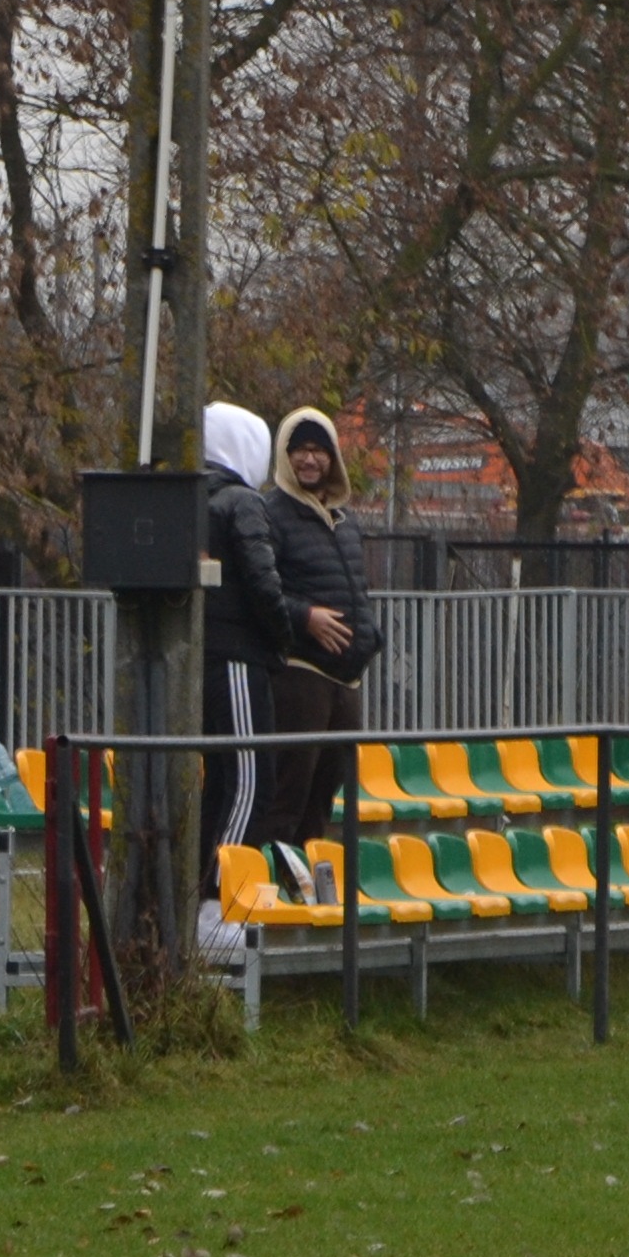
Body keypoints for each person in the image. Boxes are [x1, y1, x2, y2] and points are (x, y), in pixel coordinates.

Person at [263, 406, 384, 844]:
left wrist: (370, 637)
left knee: (323, 794)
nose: (310, 459)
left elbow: (358, 587)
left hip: (346, 679)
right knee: (288, 791)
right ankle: (270, 878)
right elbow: (261, 591)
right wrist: (304, 618)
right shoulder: (270, 514)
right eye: (300, 450)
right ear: (285, 455)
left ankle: (307, 876)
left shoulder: (346, 521)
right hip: (301, 674)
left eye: (319, 450)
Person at [196, 402, 292, 944]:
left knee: (222, 779)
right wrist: (283, 634)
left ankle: (206, 898)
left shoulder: (194, 498)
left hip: (206, 652)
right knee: (252, 777)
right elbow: (262, 581)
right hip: (237, 653)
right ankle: (221, 900)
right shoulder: (241, 501)